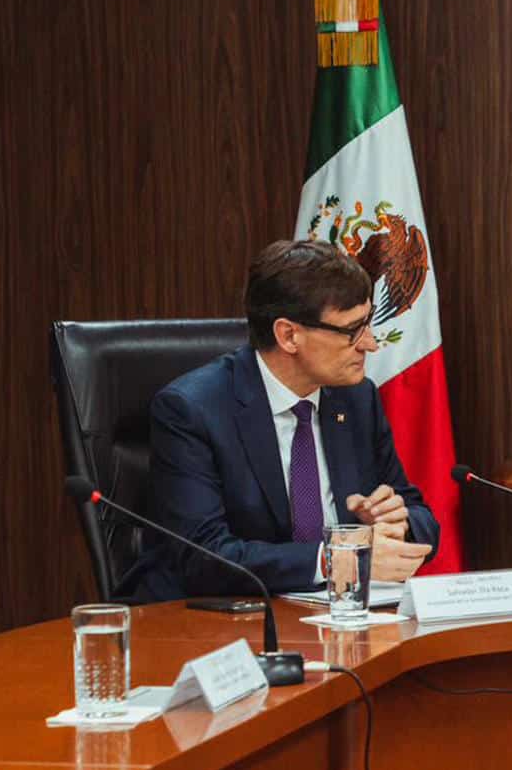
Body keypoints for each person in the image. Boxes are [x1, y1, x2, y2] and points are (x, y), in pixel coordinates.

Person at [123, 239, 438, 600]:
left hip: (334, 617)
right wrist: (334, 560)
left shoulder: (356, 398)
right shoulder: (191, 410)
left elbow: (420, 515)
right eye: (352, 331)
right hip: (217, 627)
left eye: (366, 323)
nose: (370, 344)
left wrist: (397, 525)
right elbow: (203, 557)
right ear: (289, 335)